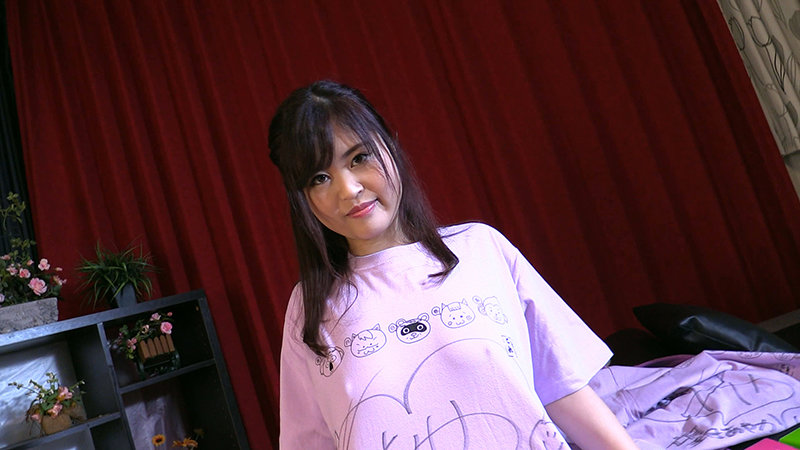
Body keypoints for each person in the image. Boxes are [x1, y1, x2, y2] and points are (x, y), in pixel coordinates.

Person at [269, 80, 637, 449]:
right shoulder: (309, 310)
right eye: (320, 178)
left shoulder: (481, 249)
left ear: (390, 146)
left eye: (359, 158)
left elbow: (562, 389)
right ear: (303, 199)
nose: (348, 189)